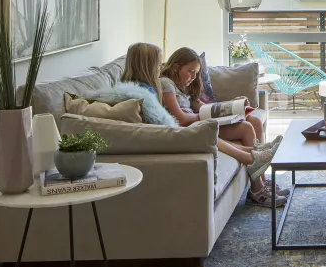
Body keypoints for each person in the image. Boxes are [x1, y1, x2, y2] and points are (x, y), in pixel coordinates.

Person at [122, 44, 285, 207]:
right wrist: (204, 116)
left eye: (196, 73)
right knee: (246, 128)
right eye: (158, 64)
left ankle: (260, 173)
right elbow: (180, 118)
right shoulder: (163, 85)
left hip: (195, 122)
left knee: (254, 120)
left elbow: (202, 107)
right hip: (188, 126)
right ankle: (257, 186)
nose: (162, 67)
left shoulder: (177, 85)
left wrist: (231, 106)